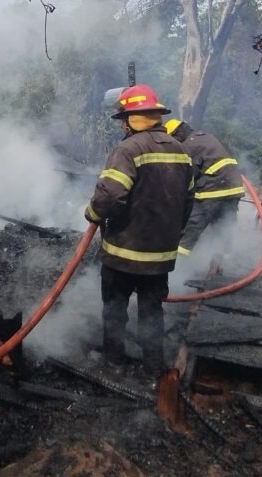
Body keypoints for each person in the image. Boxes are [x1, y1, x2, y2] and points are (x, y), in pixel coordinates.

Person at [85, 85, 194, 374]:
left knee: (115, 309)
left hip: (123, 254)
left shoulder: (127, 149)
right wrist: (172, 233)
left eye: (124, 118)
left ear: (134, 119)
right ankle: (153, 367)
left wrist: (92, 214)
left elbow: (109, 196)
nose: (122, 124)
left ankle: (113, 362)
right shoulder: (181, 151)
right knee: (151, 312)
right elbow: (188, 201)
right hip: (160, 256)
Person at [165, 119, 244, 256]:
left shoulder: (189, 146)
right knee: (222, 228)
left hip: (213, 191)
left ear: (176, 135)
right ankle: (216, 266)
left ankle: (177, 266)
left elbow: (188, 177)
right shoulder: (206, 137)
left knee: (192, 228)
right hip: (235, 189)